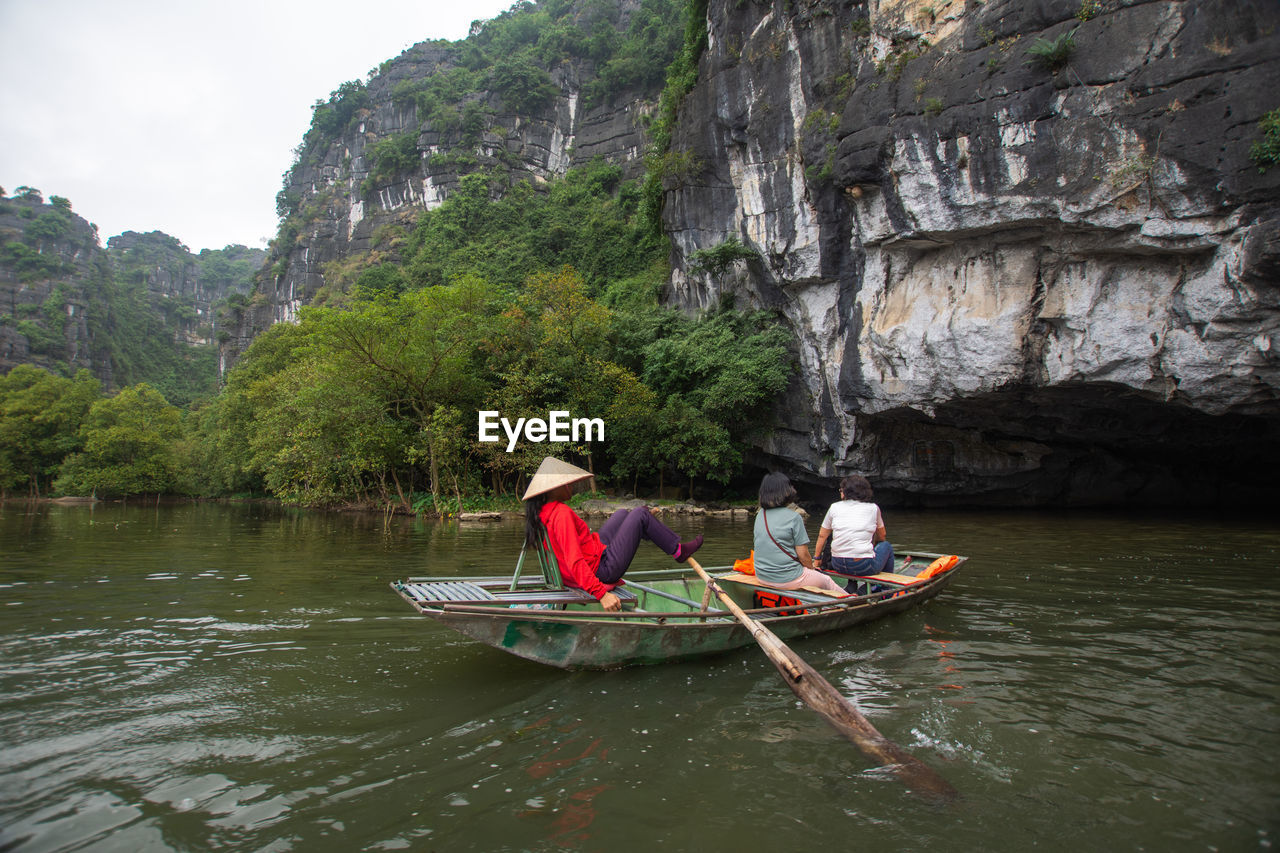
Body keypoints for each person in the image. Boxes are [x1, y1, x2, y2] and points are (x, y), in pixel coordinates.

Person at [523, 456, 703, 612]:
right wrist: (601, 595)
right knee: (640, 515)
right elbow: (574, 560)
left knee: (622, 514)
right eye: (565, 483)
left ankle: (646, 527)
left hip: (594, 554)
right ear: (552, 489)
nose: (570, 485)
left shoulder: (542, 513)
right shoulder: (561, 514)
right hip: (602, 570)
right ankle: (677, 550)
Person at [751, 472, 846, 595]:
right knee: (826, 580)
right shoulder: (794, 517)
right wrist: (812, 569)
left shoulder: (760, 515)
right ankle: (854, 601)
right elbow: (804, 556)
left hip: (762, 576)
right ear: (785, 492)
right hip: (787, 578)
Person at [811, 474, 894, 593]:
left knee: (848, 542)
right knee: (887, 546)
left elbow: (822, 536)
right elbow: (882, 536)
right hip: (862, 565)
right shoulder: (873, 508)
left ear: (846, 492)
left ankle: (851, 586)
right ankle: (883, 588)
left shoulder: (834, 507)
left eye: (841, 490)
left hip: (837, 563)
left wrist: (817, 559)